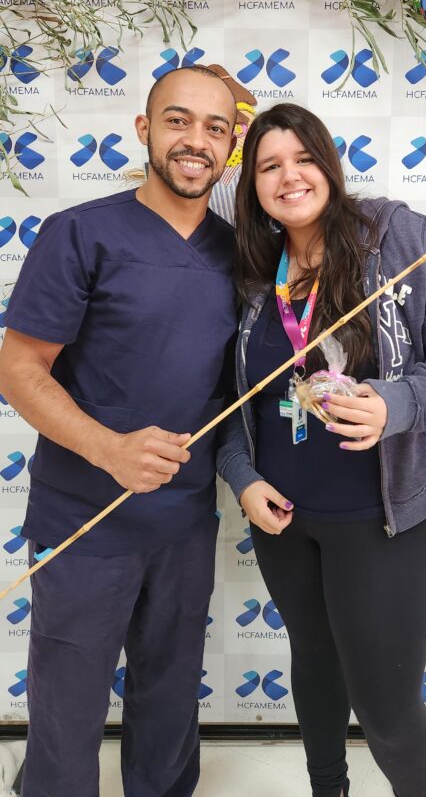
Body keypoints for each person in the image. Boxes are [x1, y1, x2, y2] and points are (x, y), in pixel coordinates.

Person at [0, 65, 271, 797]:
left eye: (216, 128)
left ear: (231, 146)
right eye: (178, 120)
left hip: (183, 520)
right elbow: (19, 370)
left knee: (171, 692)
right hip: (84, 518)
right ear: (145, 130)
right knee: (68, 701)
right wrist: (108, 449)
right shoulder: (80, 233)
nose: (196, 140)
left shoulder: (240, 253)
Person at [234, 103, 426, 797]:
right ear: (252, 184)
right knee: (314, 663)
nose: (288, 177)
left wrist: (394, 404)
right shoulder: (254, 267)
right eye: (268, 166)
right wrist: (240, 476)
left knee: (384, 699)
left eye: (302, 159)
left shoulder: (396, 235)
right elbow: (231, 399)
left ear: (329, 164)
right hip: (283, 516)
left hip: (380, 516)